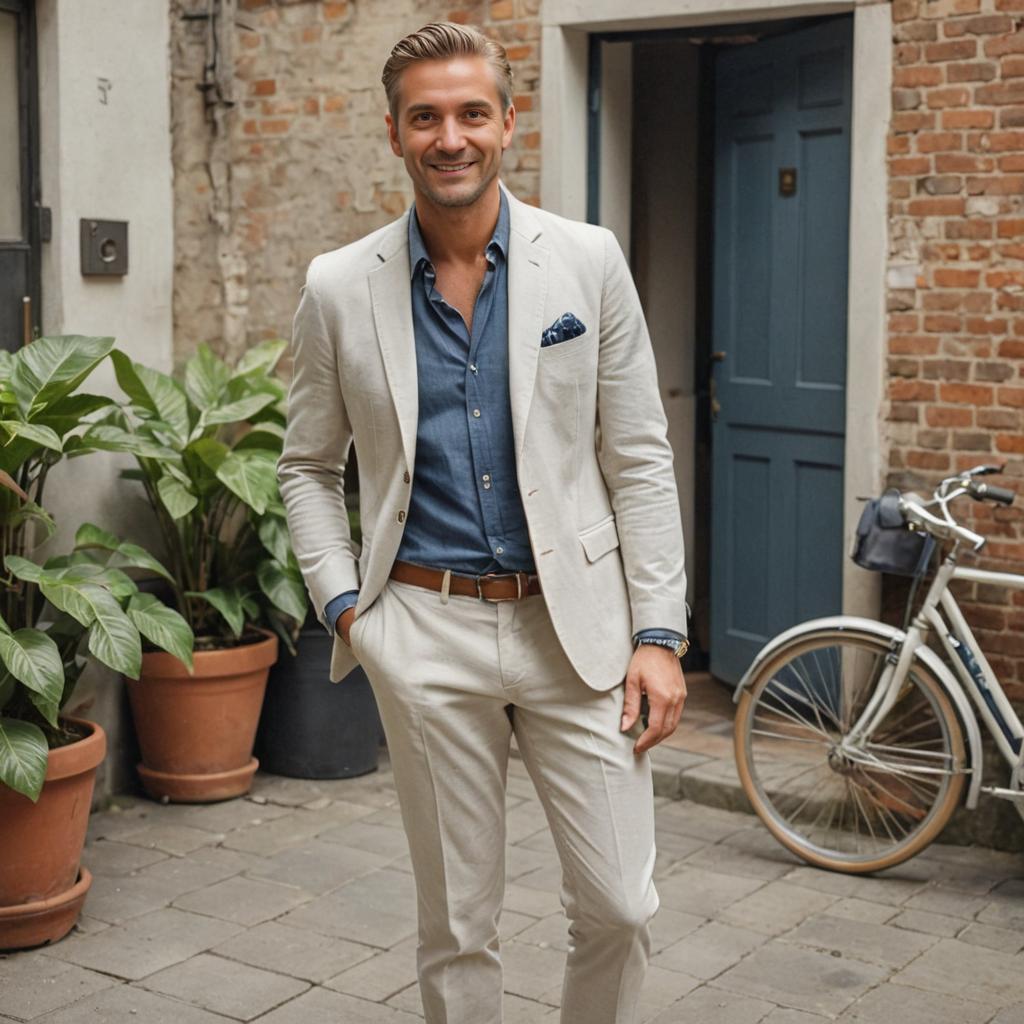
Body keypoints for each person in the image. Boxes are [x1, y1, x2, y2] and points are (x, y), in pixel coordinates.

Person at [277, 22, 689, 1024]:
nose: (449, 136)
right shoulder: (339, 285)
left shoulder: (586, 263)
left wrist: (659, 634)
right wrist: (348, 613)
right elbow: (304, 467)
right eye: (426, 117)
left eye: (470, 112)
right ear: (394, 134)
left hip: (578, 631)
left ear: (508, 122)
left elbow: (637, 457)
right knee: (457, 923)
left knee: (620, 906)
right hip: (423, 628)